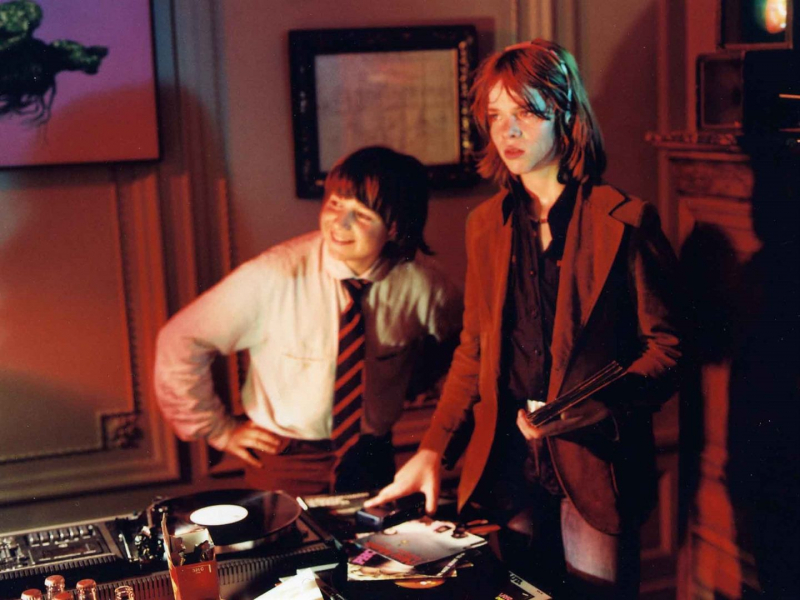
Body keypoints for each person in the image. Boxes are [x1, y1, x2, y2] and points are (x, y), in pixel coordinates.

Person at [366, 40, 682, 598]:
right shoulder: (486, 224)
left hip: (594, 464)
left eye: (526, 112)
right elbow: (474, 350)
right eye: (495, 116)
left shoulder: (625, 220)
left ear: (565, 113)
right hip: (508, 467)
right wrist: (431, 448)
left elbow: (668, 349)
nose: (507, 131)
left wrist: (598, 404)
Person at [154, 146, 462, 497]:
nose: (339, 223)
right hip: (286, 459)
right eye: (335, 204)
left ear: (394, 227)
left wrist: (421, 387)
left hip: (371, 455)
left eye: (361, 215)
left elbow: (465, 346)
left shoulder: (424, 284)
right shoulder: (274, 275)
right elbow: (180, 339)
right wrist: (218, 430)